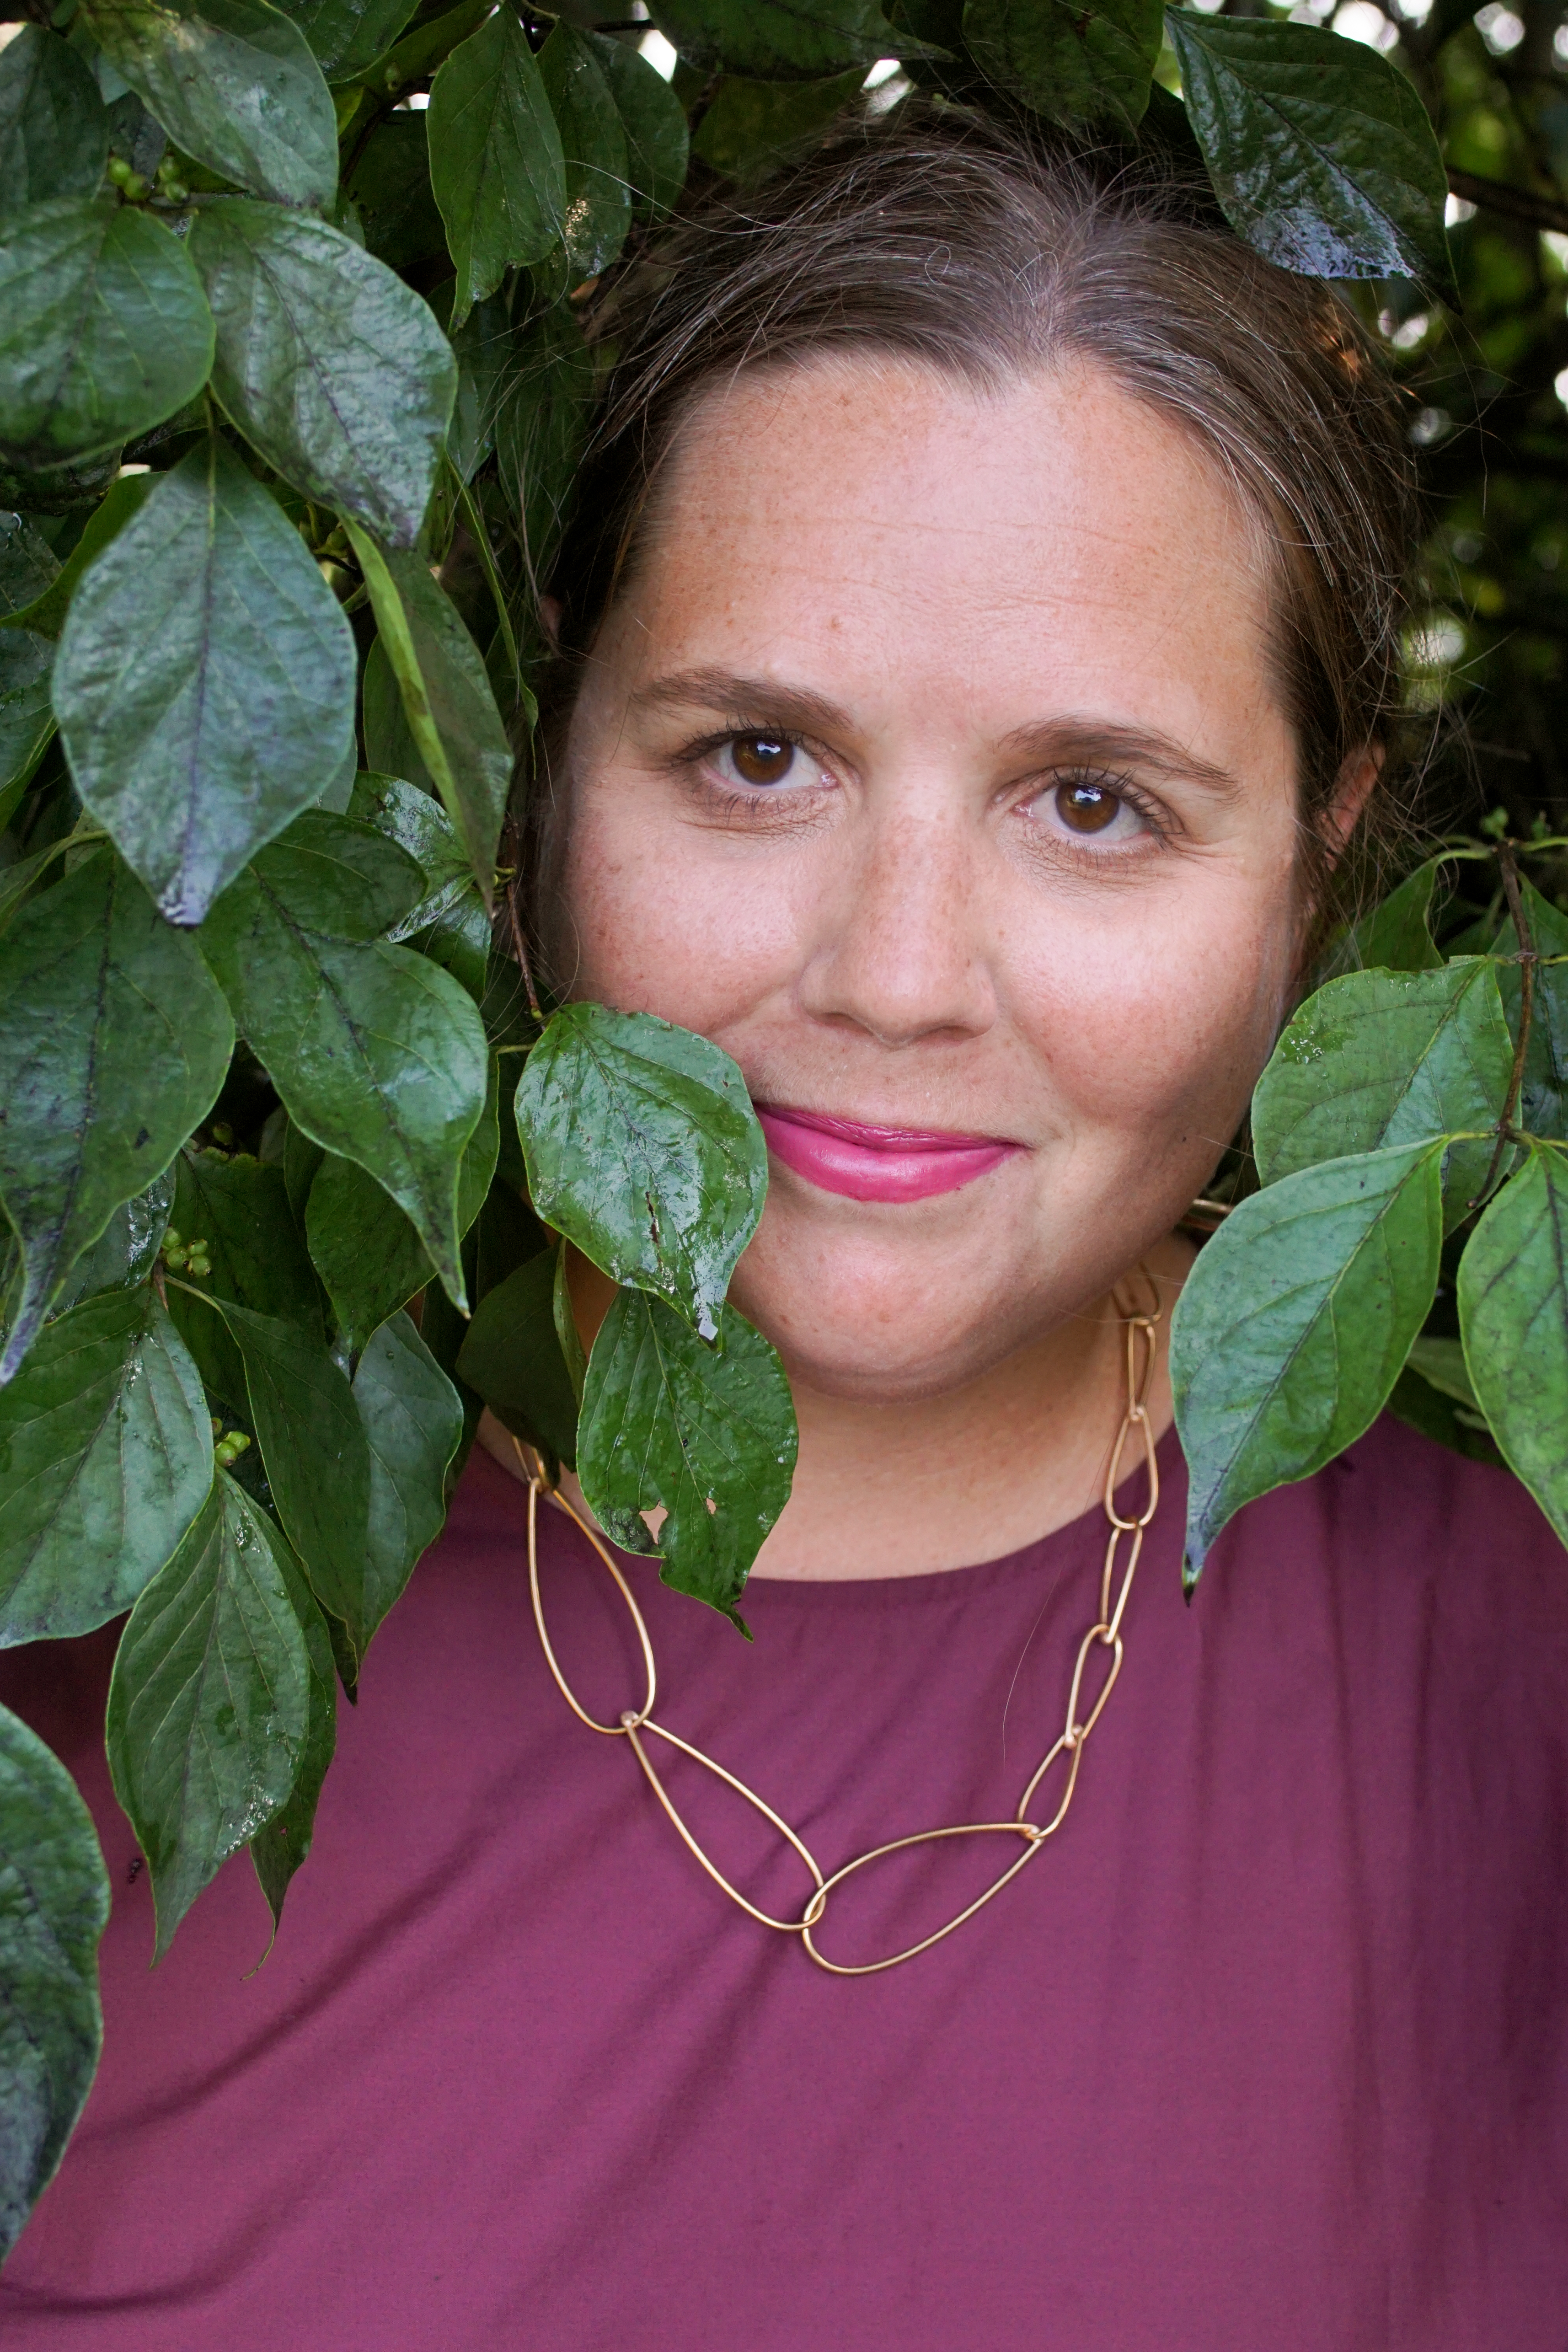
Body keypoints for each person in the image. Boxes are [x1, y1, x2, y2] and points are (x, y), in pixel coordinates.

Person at [4, 107, 1566, 2352]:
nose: (898, 970)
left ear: (1316, 866)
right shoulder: (67, 1640)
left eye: (1096, 802)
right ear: (533, 753)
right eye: (756, 756)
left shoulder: (1513, 1696)